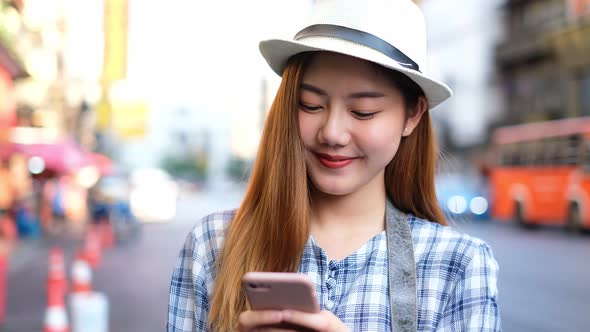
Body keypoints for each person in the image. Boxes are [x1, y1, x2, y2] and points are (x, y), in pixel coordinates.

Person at [168, 0, 501, 331]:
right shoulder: (214, 244)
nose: (332, 133)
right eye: (310, 105)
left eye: (363, 111)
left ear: (412, 115)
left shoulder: (458, 264)